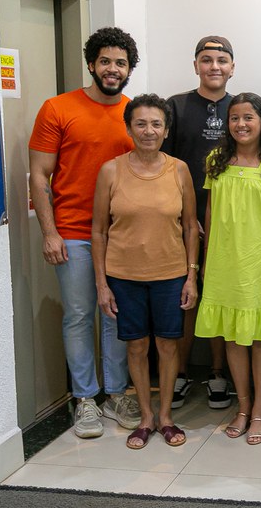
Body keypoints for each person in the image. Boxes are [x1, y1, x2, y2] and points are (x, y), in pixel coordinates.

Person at [28, 27, 141, 439]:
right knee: (78, 315)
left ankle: (115, 394)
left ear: (129, 69)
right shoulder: (58, 108)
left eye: (121, 63)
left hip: (121, 235)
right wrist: (50, 233)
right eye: (105, 61)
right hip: (73, 232)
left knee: (115, 315)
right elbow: (39, 174)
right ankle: (85, 399)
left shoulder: (133, 114)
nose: (113, 69)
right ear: (91, 64)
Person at [91, 94, 198, 449]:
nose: (149, 131)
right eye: (141, 124)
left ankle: (166, 416)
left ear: (166, 130)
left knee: (168, 344)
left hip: (170, 273)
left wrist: (191, 276)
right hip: (124, 276)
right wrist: (102, 284)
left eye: (156, 124)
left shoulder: (179, 170)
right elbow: (99, 231)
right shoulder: (111, 171)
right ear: (129, 129)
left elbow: (190, 226)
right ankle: (146, 417)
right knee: (136, 346)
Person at [195, 93, 261, 446]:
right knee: (232, 338)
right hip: (224, 263)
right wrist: (206, 259)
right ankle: (243, 406)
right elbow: (210, 212)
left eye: (248, 117)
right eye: (234, 118)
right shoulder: (216, 161)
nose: (241, 124)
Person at [161, 36, 236, 411]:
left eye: (222, 60)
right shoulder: (175, 107)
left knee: (219, 299)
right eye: (206, 60)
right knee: (186, 300)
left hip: (229, 225)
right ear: (196, 66)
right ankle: (179, 372)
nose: (214, 66)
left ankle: (218, 372)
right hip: (182, 224)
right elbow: (163, 167)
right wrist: (183, 217)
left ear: (232, 67)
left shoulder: (241, 108)